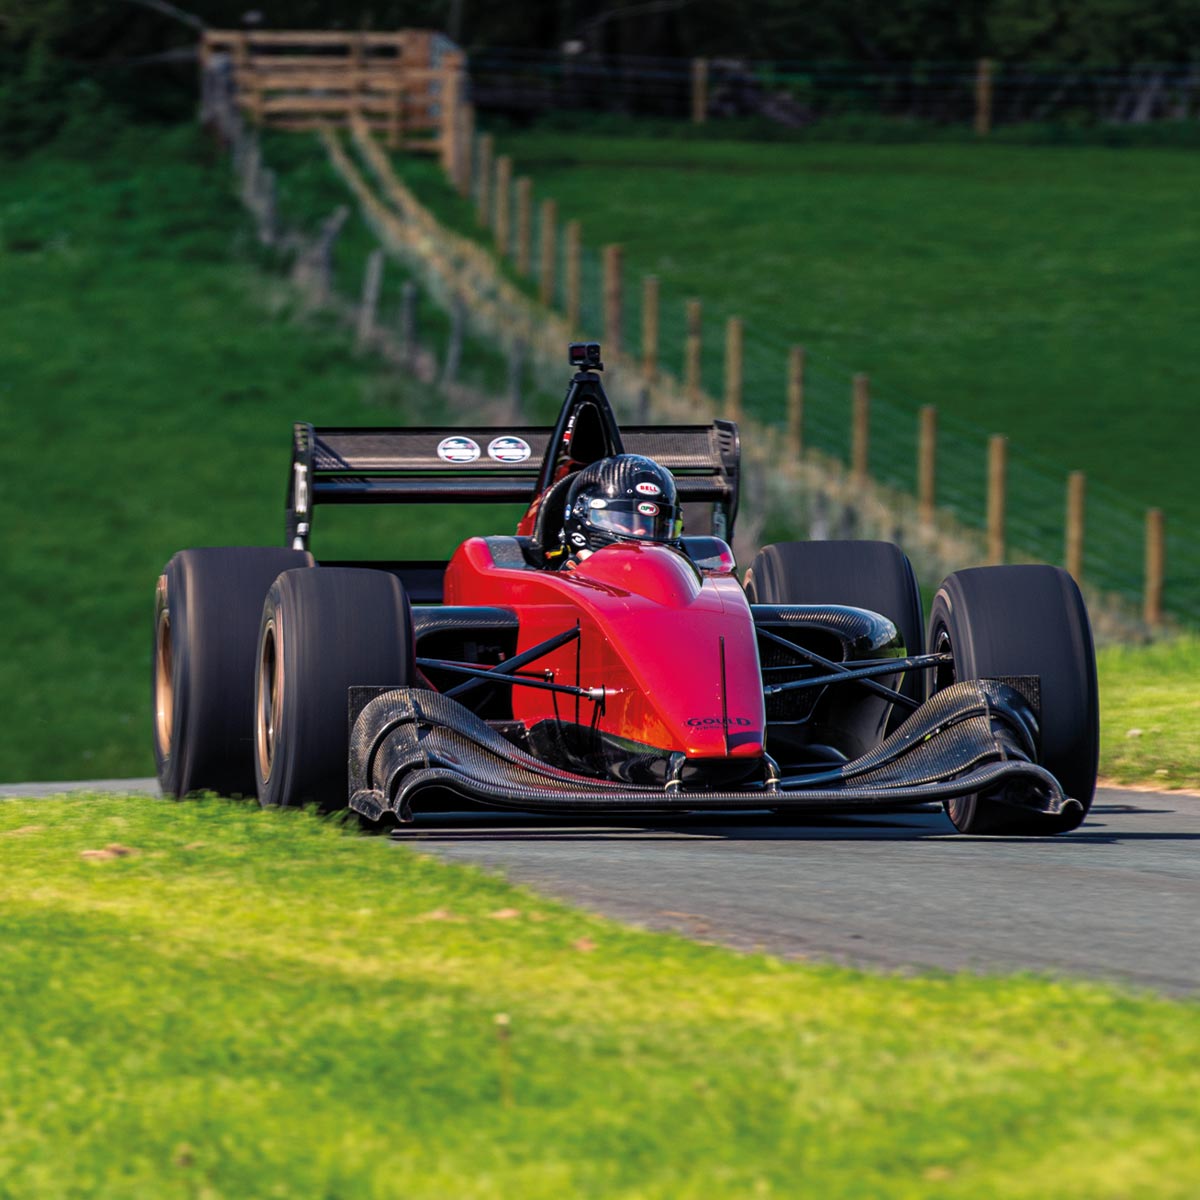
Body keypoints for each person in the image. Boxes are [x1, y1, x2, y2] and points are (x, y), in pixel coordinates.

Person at [549, 454, 684, 569]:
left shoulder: (691, 579)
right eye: (625, 520)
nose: (641, 532)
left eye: (653, 525)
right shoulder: (551, 585)